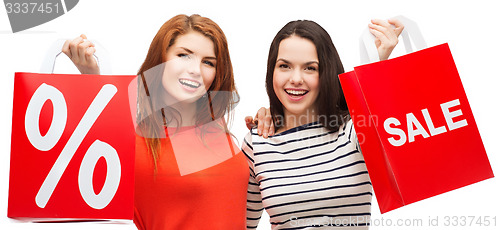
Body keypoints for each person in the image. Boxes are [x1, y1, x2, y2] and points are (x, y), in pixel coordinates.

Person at [63, 14, 250, 230]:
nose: (196, 70)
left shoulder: (217, 128)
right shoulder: (133, 144)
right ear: (160, 60)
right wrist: (93, 80)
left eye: (208, 62)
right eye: (183, 55)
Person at [243, 19, 403, 229]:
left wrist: (376, 63)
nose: (296, 78)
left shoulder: (354, 130)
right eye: (284, 66)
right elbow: (240, 225)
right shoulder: (257, 142)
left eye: (310, 68)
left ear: (326, 73)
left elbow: (410, 158)